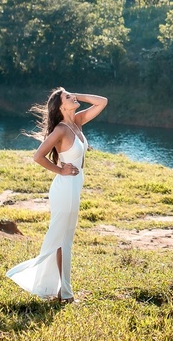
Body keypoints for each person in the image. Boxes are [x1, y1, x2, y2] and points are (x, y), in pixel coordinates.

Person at [7, 88, 107, 302]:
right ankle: (65, 293)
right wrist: (60, 169)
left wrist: (76, 97)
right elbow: (38, 156)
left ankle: (63, 291)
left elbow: (102, 102)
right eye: (67, 97)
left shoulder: (77, 122)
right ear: (61, 107)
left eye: (72, 95)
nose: (72, 97)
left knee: (65, 241)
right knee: (62, 241)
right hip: (64, 188)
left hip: (74, 187)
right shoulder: (61, 130)